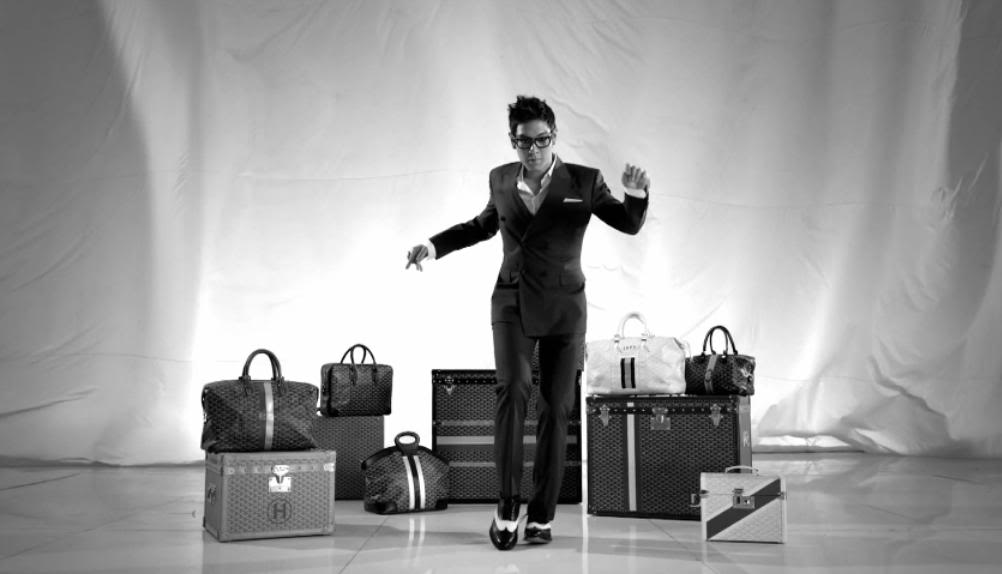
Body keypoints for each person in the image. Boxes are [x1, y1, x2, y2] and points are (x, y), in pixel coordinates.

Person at [406, 95, 649, 550]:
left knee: (556, 410)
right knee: (513, 391)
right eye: (524, 142)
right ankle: (506, 505)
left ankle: (541, 515)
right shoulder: (501, 178)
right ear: (512, 141)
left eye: (541, 140)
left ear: (554, 137)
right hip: (512, 301)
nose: (533, 149)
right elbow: (481, 225)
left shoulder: (584, 181)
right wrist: (433, 246)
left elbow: (627, 223)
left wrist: (635, 195)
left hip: (564, 308)